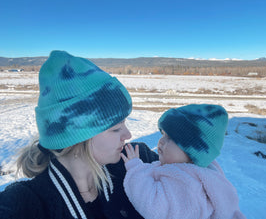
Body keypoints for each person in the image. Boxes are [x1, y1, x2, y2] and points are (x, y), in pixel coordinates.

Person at [0, 50, 158, 219]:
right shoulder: (24, 204)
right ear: (77, 137)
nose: (128, 135)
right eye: (115, 128)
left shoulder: (137, 162)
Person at [121, 104, 246, 219]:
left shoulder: (185, 183)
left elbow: (153, 206)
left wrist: (136, 170)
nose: (161, 141)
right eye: (163, 134)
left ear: (192, 152)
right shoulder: (204, 171)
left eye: (170, 138)